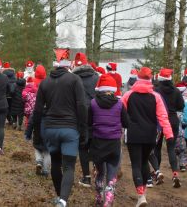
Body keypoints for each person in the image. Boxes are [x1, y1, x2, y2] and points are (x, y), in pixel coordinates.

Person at [32, 48, 87, 207]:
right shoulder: (75, 80)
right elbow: (82, 106)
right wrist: (83, 130)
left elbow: (37, 111)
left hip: (50, 129)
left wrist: (37, 134)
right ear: (69, 64)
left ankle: (60, 197)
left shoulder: (45, 82)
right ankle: (63, 200)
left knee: (56, 162)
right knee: (69, 166)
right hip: (70, 129)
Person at [121, 67, 173, 207]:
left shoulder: (128, 95)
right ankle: (143, 195)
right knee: (144, 162)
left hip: (133, 134)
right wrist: (169, 135)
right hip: (150, 135)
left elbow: (119, 112)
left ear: (137, 79)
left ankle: (141, 195)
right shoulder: (156, 96)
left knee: (136, 164)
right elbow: (163, 117)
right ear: (150, 80)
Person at [89, 74, 129, 206]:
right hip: (113, 143)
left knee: (100, 172)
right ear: (113, 89)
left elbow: (88, 122)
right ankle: (109, 198)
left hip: (98, 143)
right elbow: (126, 123)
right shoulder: (119, 104)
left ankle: (99, 196)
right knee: (111, 174)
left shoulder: (93, 103)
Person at [153, 68, 185, 188]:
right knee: (171, 148)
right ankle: (175, 174)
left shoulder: (156, 90)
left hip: (159, 121)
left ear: (160, 78)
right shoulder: (176, 91)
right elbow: (181, 106)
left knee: (157, 147)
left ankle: (157, 172)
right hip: (173, 121)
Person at [72, 52, 99, 188]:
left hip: (79, 115)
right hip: (95, 114)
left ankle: (86, 177)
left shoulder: (72, 78)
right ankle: (96, 170)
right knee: (94, 143)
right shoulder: (96, 77)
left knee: (82, 145)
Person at [2, 62, 17, 126]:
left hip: (5, 94)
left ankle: (8, 120)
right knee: (11, 107)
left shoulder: (2, 74)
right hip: (12, 93)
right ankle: (13, 120)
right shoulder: (14, 74)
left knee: (5, 107)